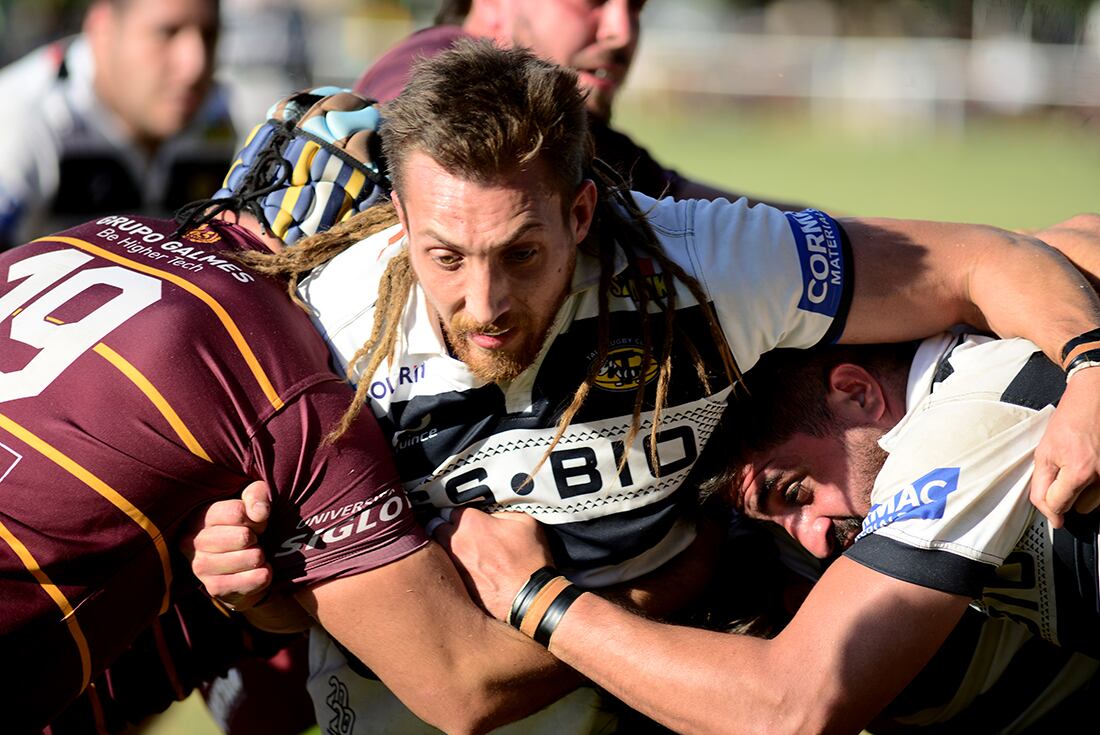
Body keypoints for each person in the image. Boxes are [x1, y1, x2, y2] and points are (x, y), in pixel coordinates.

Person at [189, 40, 1100, 733]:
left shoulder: (704, 267)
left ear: (581, 213)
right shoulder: (324, 339)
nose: (486, 300)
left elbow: (1000, 255)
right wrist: (261, 583)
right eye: (445, 256)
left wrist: (1092, 365)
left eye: (522, 252)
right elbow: (450, 679)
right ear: (400, 220)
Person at [0, 86, 575, 735]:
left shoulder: (78, 239)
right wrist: (663, 593)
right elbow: (461, 683)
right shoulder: (278, 359)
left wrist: (256, 602)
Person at [430, 329, 1100, 735]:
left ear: (857, 393)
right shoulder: (878, 479)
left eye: (794, 492)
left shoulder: (971, 412)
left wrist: (533, 595)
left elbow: (790, 710)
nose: (809, 538)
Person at [355, 0, 808, 207]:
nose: (622, 31)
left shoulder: (573, 128)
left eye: (636, 7)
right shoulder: (432, 71)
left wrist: (831, 235)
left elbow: (716, 212)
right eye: (592, 2)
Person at [0, 0, 236, 250]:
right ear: (102, 29)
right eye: (167, 32)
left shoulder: (217, 111)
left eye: (210, 36)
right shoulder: (23, 116)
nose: (195, 66)